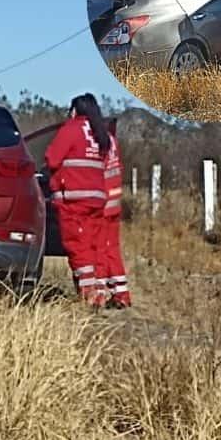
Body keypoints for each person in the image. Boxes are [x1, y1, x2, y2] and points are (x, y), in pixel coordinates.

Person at [44, 93, 111, 308]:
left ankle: (88, 295)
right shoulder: (100, 134)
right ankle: (100, 291)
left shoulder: (71, 129)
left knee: (77, 246)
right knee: (94, 245)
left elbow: (52, 158)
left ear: (75, 110)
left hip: (74, 199)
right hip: (97, 198)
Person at [99, 124, 132, 308]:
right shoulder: (112, 140)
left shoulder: (97, 139)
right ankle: (121, 293)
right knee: (112, 249)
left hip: (103, 202)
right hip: (115, 200)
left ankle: (101, 292)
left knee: (101, 249)